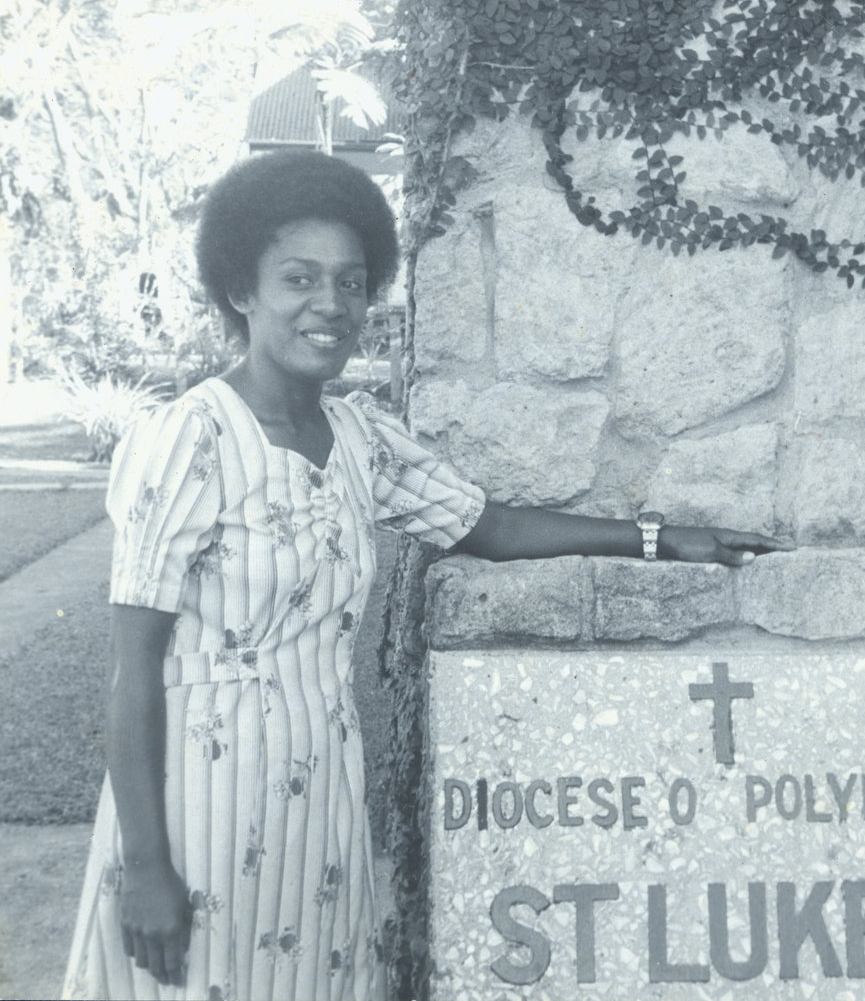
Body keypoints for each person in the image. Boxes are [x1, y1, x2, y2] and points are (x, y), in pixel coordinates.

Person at [62, 149, 790, 1001]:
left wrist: (667, 538)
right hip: (201, 805)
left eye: (351, 282)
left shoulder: (359, 438)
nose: (329, 304)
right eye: (298, 279)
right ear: (240, 289)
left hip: (318, 791)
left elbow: (492, 526)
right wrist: (146, 865)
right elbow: (133, 666)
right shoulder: (191, 437)